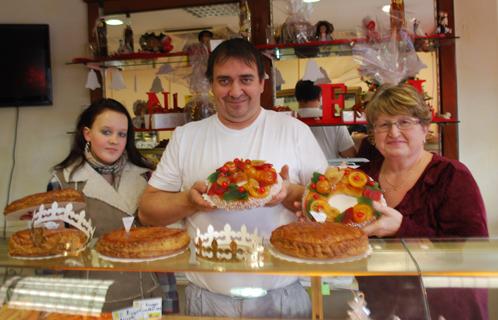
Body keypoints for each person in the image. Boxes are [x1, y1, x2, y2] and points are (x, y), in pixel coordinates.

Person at [139, 38, 328, 318]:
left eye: (246, 79)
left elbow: (330, 209)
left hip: (281, 297)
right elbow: (147, 212)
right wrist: (190, 202)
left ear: (263, 83)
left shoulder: (293, 131)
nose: (235, 91)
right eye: (224, 80)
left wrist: (288, 193)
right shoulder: (186, 136)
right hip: (207, 300)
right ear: (212, 85)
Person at [358, 84, 488, 320]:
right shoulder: (362, 178)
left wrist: (402, 228)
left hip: (444, 306)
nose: (394, 132)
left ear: (425, 128)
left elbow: (472, 251)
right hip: (381, 304)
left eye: (404, 122)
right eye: (384, 124)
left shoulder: (451, 176)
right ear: (373, 133)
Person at [48, 98, 178, 313]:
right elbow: (51, 255)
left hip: (147, 296)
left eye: (122, 134)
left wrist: (170, 306)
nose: (114, 141)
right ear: (87, 134)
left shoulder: (148, 176)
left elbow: (161, 242)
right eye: (106, 132)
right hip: (89, 302)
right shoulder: (62, 181)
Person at [295, 80, 356, 160]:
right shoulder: (334, 120)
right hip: (328, 171)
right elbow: (350, 154)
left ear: (297, 97)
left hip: (294, 171)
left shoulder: (289, 120)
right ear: (320, 96)